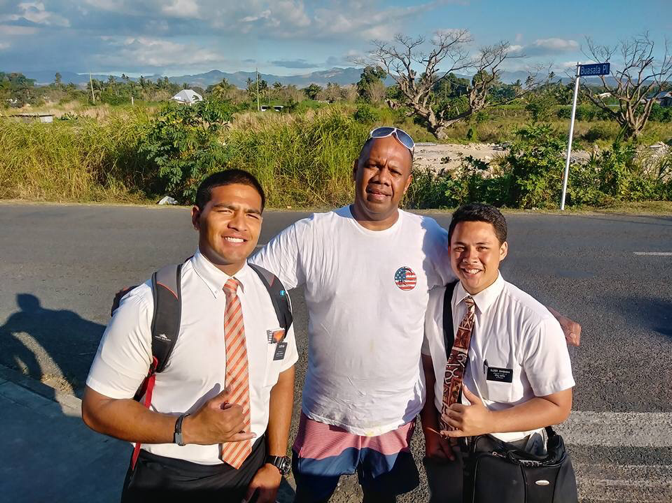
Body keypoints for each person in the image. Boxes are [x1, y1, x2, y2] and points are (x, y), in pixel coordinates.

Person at [251, 128, 580, 503]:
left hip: (395, 415)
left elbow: (478, 274)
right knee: (310, 496)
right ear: (356, 169)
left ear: (406, 183)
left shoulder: (426, 236)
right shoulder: (312, 234)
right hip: (326, 411)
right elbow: (254, 284)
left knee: (382, 498)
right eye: (374, 166)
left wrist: (545, 314)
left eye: (394, 171)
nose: (382, 178)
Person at [82, 169, 298, 503]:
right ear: (197, 217)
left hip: (252, 467)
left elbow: (282, 373)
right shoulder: (151, 304)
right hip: (172, 476)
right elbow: (98, 408)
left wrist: (275, 462)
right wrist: (188, 429)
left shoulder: (273, 292)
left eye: (251, 214)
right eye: (225, 210)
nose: (239, 224)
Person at [420, 203, 575, 503]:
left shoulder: (533, 321)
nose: (470, 258)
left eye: (482, 247)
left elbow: (558, 405)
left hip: (509, 457)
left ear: (503, 250)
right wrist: (431, 430)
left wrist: (489, 422)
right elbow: (429, 372)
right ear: (449, 250)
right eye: (460, 247)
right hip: (449, 450)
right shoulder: (434, 304)